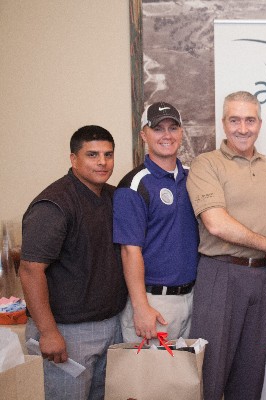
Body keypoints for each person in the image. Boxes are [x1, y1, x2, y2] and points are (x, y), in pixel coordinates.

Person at [186, 91, 266, 400]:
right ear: (223, 123)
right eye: (235, 120)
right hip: (221, 275)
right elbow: (216, 223)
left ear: (260, 124)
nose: (242, 128)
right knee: (211, 375)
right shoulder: (206, 164)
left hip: (264, 277)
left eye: (249, 120)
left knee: (250, 375)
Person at [19, 125, 128, 400]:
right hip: (67, 332)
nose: (102, 162)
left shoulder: (113, 197)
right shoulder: (54, 204)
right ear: (73, 159)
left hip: (111, 325)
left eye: (108, 154)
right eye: (92, 155)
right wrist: (48, 332)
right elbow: (30, 271)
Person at [113, 102, 199, 343]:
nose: (167, 135)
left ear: (181, 132)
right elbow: (130, 251)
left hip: (191, 298)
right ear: (144, 134)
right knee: (150, 380)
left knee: (184, 379)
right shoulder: (134, 185)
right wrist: (141, 308)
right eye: (158, 129)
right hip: (154, 303)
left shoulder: (193, 178)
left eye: (173, 127)